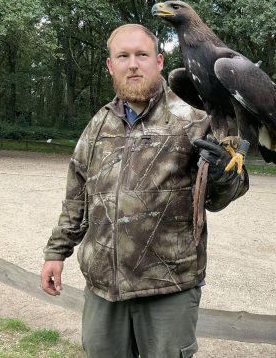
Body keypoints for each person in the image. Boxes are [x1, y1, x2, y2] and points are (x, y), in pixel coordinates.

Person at [40, 24, 249, 358]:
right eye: (123, 56)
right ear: (110, 65)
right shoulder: (97, 125)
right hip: (103, 290)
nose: (133, 64)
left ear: (160, 61)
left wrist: (224, 171)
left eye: (142, 55)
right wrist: (56, 252)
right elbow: (76, 194)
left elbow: (219, 199)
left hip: (168, 289)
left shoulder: (195, 121)